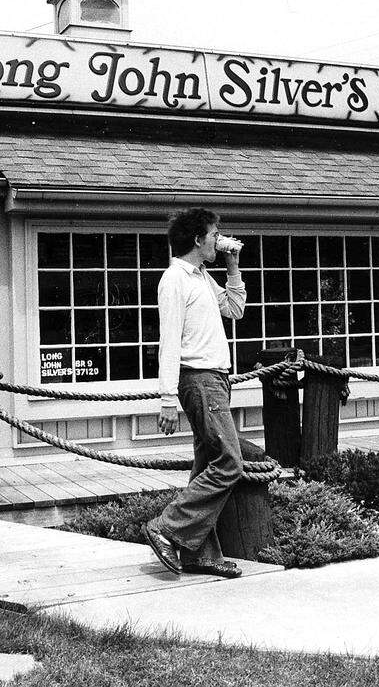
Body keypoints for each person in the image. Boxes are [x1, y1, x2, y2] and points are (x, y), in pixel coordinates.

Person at [143, 207, 246, 578]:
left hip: (216, 379)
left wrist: (232, 266)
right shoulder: (175, 280)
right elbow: (168, 341)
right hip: (198, 379)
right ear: (198, 240)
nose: (219, 240)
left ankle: (199, 553)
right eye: (215, 235)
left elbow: (234, 309)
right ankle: (166, 527)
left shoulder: (201, 275)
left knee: (206, 465)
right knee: (230, 462)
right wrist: (166, 398)